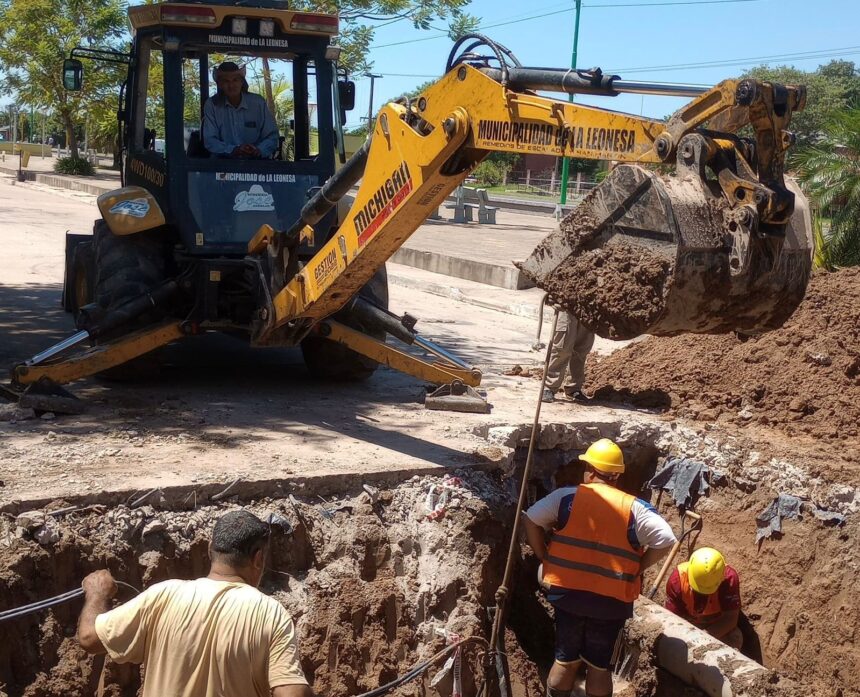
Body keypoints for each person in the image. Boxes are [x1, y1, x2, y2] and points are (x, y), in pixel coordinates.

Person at [77, 510, 312, 697]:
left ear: (210, 551)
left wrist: (97, 594)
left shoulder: (162, 595)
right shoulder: (270, 614)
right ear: (258, 558)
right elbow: (292, 693)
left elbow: (88, 638)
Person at [523, 438, 677, 697]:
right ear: (616, 475)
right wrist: (637, 568)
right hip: (610, 601)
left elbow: (531, 519)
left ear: (591, 471)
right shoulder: (634, 509)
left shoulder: (565, 498)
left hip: (567, 595)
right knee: (599, 665)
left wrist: (544, 558)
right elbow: (666, 539)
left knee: (565, 658)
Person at [664, 547, 743, 650]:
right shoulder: (677, 579)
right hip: (687, 624)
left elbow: (730, 618)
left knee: (735, 637)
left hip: (716, 625)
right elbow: (672, 619)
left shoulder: (729, 578)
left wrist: (702, 639)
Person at [203, 61, 279, 159]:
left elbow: (272, 136)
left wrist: (258, 150)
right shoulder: (212, 105)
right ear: (220, 84)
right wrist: (234, 150)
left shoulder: (258, 103)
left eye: (235, 80)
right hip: (222, 165)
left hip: (256, 164)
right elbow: (210, 140)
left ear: (242, 82)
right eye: (226, 81)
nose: (231, 85)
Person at [542, 310, 595, 403]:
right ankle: (549, 387)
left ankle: (573, 388)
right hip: (568, 308)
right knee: (562, 348)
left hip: (589, 308)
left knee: (581, 350)